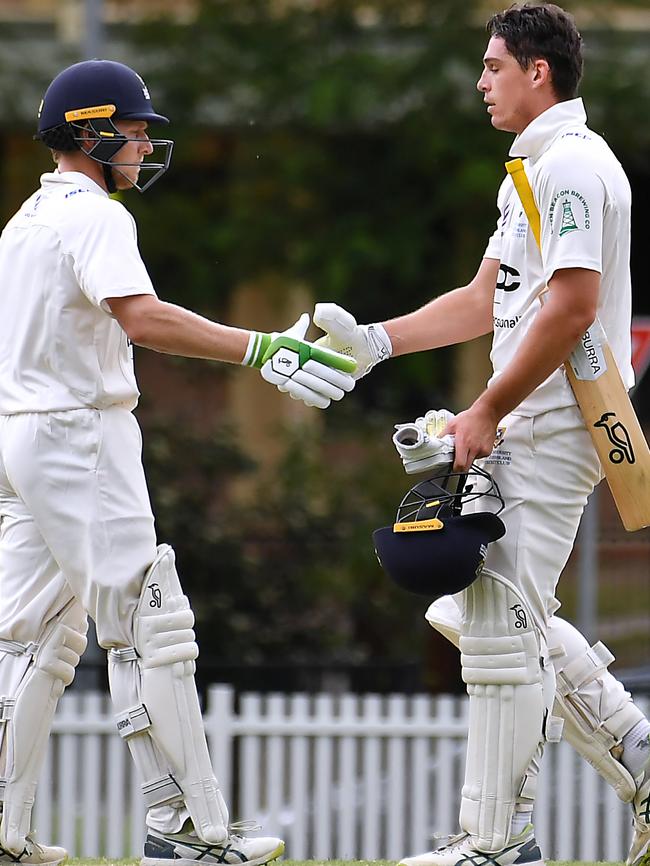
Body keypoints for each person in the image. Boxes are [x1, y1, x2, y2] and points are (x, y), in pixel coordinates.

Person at [312, 4, 650, 865]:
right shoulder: (531, 170)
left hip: (552, 422)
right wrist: (377, 341)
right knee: (489, 616)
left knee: (498, 625)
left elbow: (572, 305)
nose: (481, 80)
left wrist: (488, 409)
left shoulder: (572, 165)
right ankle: (638, 768)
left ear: (539, 73)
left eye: (494, 65)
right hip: (529, 421)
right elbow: (483, 300)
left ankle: (498, 843)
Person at [0, 59, 356, 866]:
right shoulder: (95, 216)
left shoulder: (22, 221)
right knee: (150, 625)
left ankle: (5, 832)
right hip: (80, 436)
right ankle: (188, 829)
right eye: (131, 131)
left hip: (19, 439)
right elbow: (147, 319)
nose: (140, 145)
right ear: (91, 132)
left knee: (32, 641)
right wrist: (261, 346)